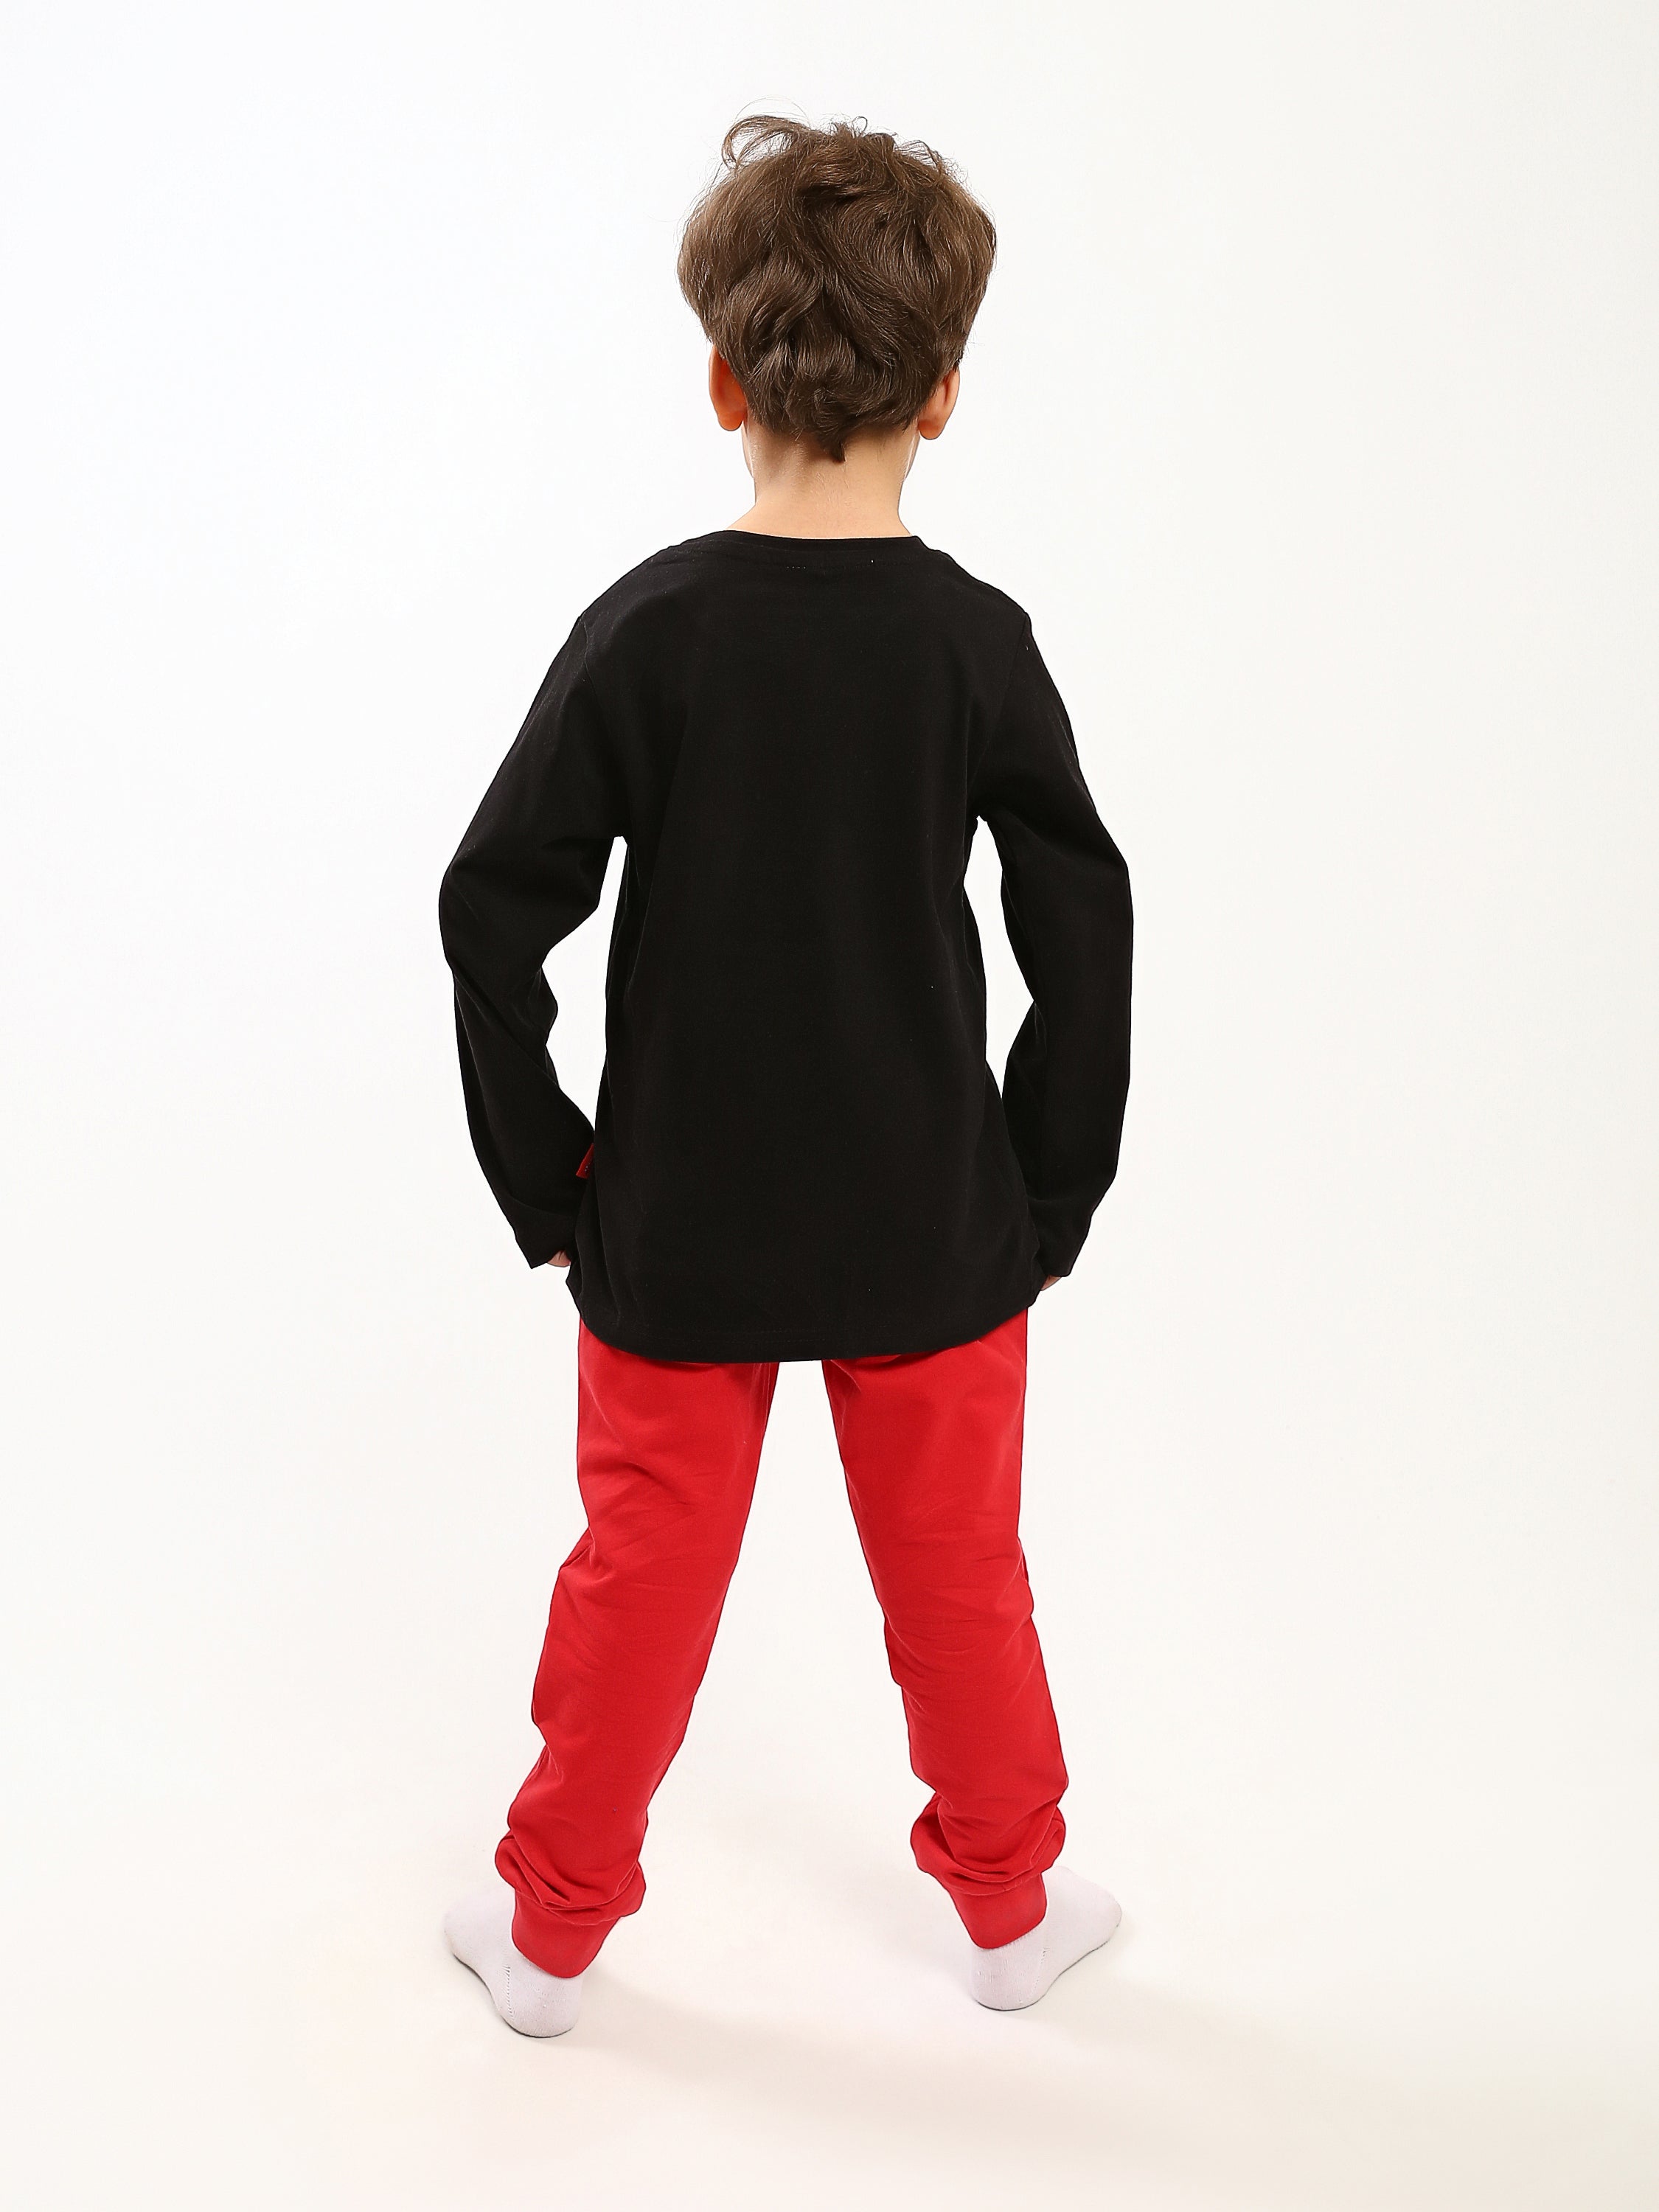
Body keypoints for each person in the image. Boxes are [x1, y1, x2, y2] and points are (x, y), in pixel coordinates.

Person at [437, 114, 1134, 2038]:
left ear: (723, 383)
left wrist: (546, 1178)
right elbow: (1083, 922)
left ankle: (550, 1939)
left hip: (676, 1226)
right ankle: (1009, 1913)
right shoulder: (974, 644)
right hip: (932, 1219)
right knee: (959, 1576)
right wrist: (1046, 1189)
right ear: (946, 396)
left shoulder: (651, 632)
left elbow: (492, 907)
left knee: (641, 1571)